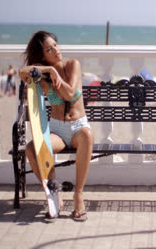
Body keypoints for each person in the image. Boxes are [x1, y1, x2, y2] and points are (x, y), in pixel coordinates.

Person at [19, 31, 94, 222]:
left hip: (78, 127)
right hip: (57, 130)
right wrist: (50, 71)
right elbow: (22, 72)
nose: (55, 50)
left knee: (87, 135)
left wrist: (56, 78)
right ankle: (53, 195)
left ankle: (78, 196)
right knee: (31, 149)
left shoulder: (72, 65)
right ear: (43, 55)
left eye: (55, 45)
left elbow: (70, 94)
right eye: (48, 49)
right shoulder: (44, 77)